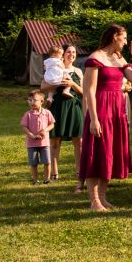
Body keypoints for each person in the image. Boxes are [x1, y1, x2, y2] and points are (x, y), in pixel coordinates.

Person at [79, 24, 132, 212]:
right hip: (101, 109)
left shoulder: (119, 58)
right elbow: (89, 90)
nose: (125, 41)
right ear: (115, 36)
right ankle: (94, 200)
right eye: (124, 37)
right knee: (96, 152)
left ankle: (103, 197)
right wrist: (93, 119)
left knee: (109, 151)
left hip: (117, 110)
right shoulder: (95, 58)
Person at [44, 43, 83, 188]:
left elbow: (84, 92)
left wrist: (72, 84)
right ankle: (54, 172)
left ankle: (79, 171)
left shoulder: (78, 72)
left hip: (74, 106)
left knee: (79, 141)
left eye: (74, 52)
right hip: (57, 107)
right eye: (68, 52)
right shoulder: (54, 69)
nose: (71, 54)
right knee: (55, 140)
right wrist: (56, 83)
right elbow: (42, 87)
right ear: (62, 54)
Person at [20, 90, 55, 184]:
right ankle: (35, 180)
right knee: (33, 163)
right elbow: (24, 126)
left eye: (34, 100)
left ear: (42, 101)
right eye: (29, 100)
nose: (32, 102)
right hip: (32, 144)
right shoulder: (28, 114)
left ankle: (47, 179)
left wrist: (45, 130)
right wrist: (31, 135)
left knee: (47, 162)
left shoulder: (47, 113)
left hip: (44, 143)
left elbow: (52, 124)